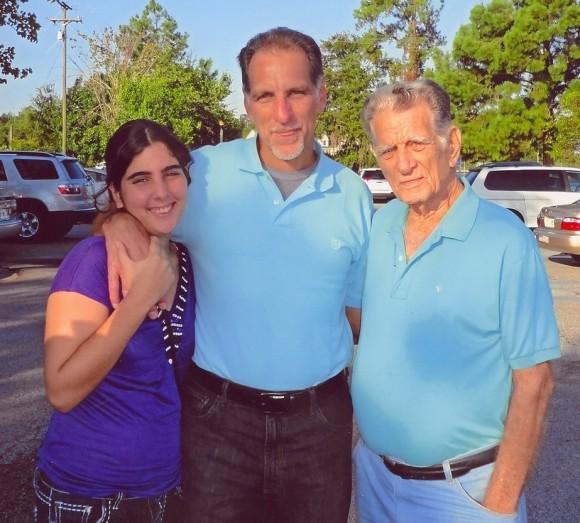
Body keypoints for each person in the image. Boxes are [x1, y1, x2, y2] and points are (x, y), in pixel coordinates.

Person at [103, 27, 373, 522]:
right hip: (216, 421)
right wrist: (118, 220)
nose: (283, 113)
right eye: (265, 95)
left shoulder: (353, 195)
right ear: (247, 102)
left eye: (296, 92)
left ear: (321, 93)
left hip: (320, 422)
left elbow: (359, 316)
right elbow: (144, 203)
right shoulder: (202, 174)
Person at [350, 79, 560, 522]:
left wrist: (499, 505)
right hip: (376, 480)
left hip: (462, 494)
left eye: (416, 143)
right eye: (388, 150)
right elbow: (361, 326)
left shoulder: (504, 240)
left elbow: (535, 383)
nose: (402, 163)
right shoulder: (381, 225)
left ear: (453, 143)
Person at [33, 120, 196, 522]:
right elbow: (62, 389)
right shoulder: (92, 261)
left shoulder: (188, 259)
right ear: (117, 194)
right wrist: (139, 298)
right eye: (140, 179)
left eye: (171, 173)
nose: (161, 192)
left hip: (164, 492)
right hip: (88, 497)